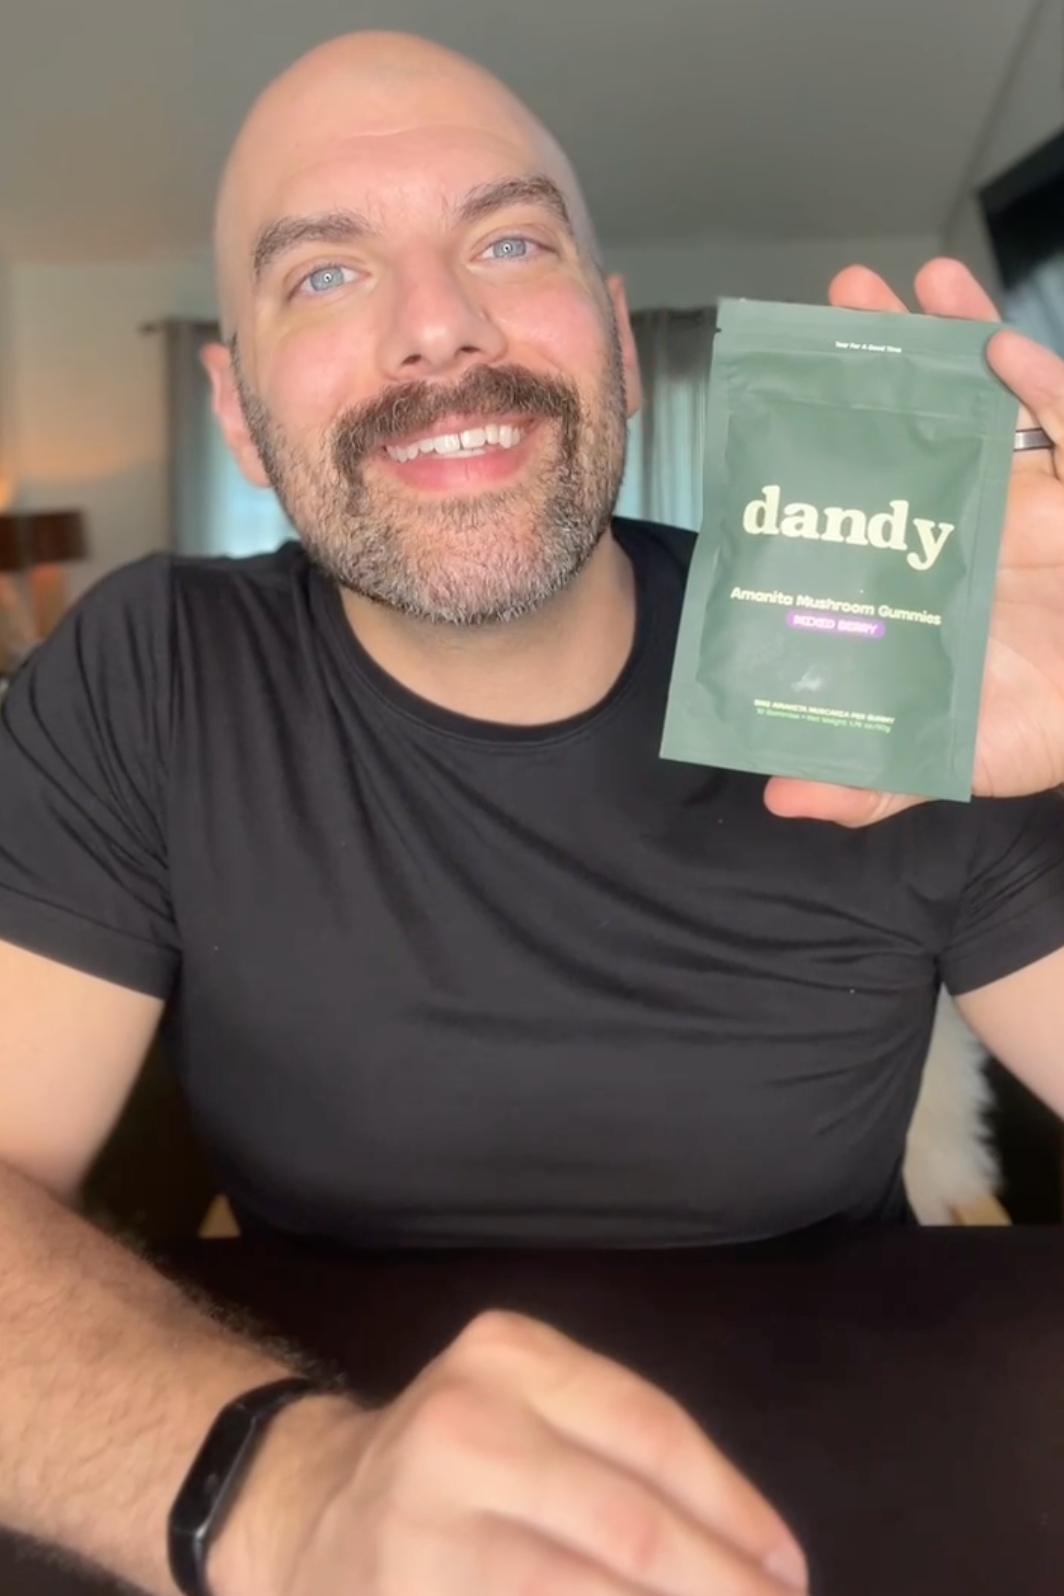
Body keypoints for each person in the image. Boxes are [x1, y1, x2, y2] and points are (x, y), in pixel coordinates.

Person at [0, 27, 1063, 1596]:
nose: (439, 324)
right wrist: (278, 1498)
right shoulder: (151, 669)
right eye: (326, 274)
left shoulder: (889, 665)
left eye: (509, 241)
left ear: (618, 345)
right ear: (234, 411)